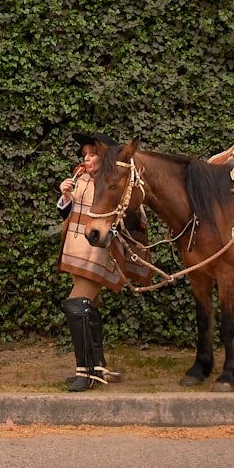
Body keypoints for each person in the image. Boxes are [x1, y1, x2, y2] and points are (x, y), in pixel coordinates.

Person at [56, 131, 149, 391]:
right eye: (84, 154)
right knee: (88, 306)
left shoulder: (113, 181)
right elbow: (69, 212)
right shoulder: (81, 179)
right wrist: (65, 197)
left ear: (105, 156)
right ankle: (96, 367)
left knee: (76, 303)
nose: (87, 158)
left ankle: (84, 372)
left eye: (92, 154)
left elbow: (131, 214)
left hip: (97, 253)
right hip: (77, 253)